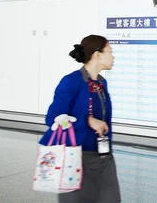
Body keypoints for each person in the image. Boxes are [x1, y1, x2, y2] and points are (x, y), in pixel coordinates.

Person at [39, 35, 121, 203]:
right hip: (76, 158)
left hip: (103, 157)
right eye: (110, 52)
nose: (113, 56)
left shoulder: (101, 82)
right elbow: (53, 118)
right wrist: (87, 121)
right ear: (97, 55)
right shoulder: (71, 81)